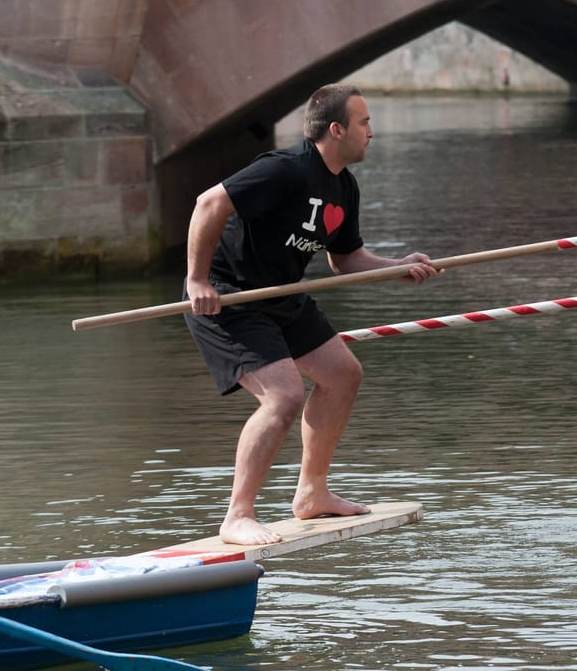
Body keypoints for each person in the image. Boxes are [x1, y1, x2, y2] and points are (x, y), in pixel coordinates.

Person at [184, 83, 442, 546]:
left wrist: (397, 269)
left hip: (280, 294)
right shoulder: (285, 170)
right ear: (337, 128)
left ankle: (311, 493)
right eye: (364, 123)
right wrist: (197, 281)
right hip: (230, 298)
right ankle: (237, 515)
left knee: (343, 374)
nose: (372, 132)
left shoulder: (344, 186)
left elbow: (346, 260)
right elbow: (209, 203)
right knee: (283, 397)